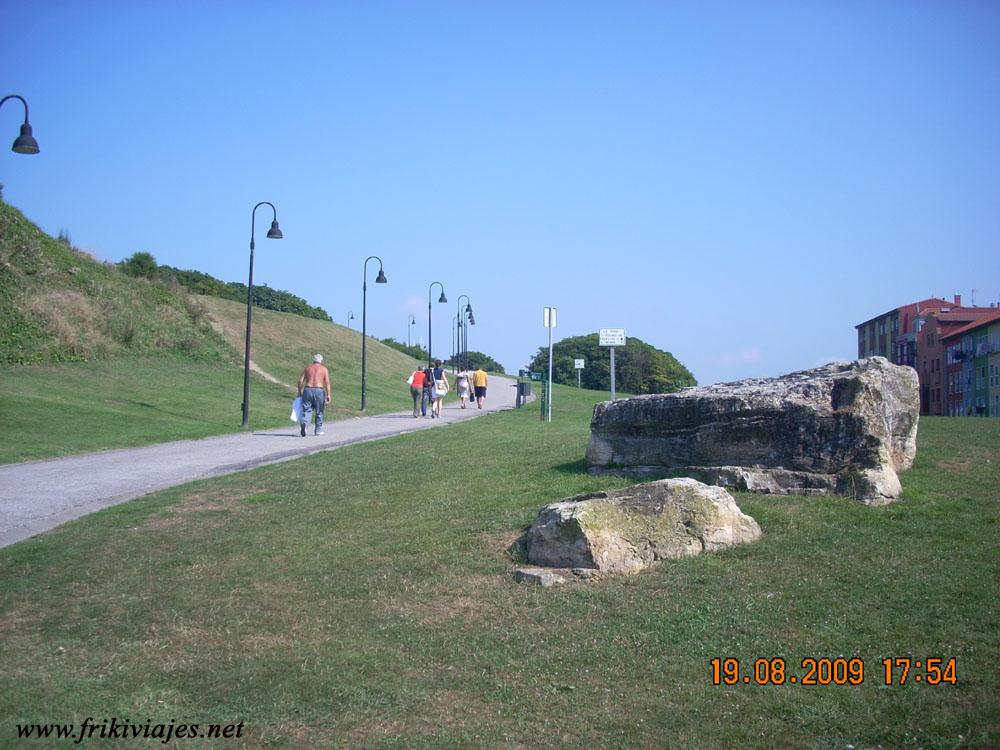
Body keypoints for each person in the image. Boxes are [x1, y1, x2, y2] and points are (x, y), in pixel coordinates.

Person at [297, 354, 331, 436]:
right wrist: (328, 394)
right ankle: (318, 430)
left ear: (313, 360)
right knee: (319, 411)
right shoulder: (324, 369)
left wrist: (299, 391)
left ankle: (305, 424)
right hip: (319, 390)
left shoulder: (308, 368)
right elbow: (327, 382)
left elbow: (300, 381)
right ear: (321, 361)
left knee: (307, 409)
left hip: (308, 389)